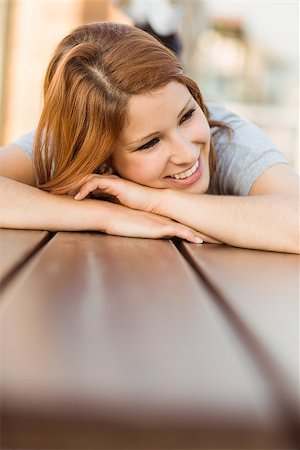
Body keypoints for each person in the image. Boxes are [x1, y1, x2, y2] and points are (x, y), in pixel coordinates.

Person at [0, 22, 298, 253]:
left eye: (186, 116)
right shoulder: (74, 144)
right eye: (150, 142)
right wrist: (106, 216)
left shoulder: (226, 136)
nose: (186, 153)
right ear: (101, 160)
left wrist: (155, 202)